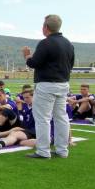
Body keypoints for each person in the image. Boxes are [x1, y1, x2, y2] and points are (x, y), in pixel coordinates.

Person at [22, 14, 74, 159]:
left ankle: (43, 151)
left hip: (46, 85)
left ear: (46, 27)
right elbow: (70, 65)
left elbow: (34, 63)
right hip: (63, 83)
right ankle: (62, 150)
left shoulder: (46, 43)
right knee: (61, 117)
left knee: (42, 118)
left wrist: (27, 56)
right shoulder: (68, 44)